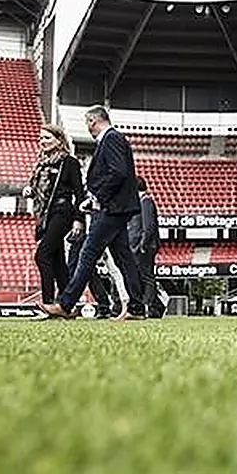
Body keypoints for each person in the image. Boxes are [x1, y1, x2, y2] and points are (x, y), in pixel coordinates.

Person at [41, 106, 145, 319]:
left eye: (88, 123)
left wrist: (97, 197)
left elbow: (118, 172)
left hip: (111, 208)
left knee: (87, 254)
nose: (88, 128)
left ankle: (66, 304)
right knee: (123, 257)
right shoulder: (113, 139)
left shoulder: (111, 139)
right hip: (115, 207)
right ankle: (136, 307)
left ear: (93, 121)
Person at [30, 124, 84, 307]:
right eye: (40, 138)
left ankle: (48, 303)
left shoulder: (69, 162)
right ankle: (67, 305)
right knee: (58, 260)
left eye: (46, 138)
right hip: (47, 214)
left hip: (63, 212)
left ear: (59, 140)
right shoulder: (42, 164)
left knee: (42, 256)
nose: (42, 142)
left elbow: (79, 193)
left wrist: (79, 219)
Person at [129, 176, 162, 319]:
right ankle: (157, 306)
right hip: (138, 246)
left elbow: (148, 226)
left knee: (147, 277)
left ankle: (149, 306)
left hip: (144, 247)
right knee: (141, 276)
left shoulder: (146, 202)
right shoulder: (139, 202)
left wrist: (143, 244)